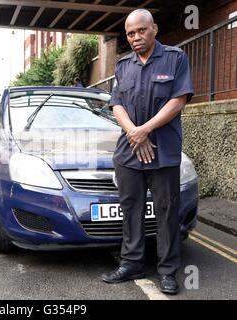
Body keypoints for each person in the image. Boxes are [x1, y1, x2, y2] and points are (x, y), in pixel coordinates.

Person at [101, 9, 193, 295]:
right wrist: (134, 133)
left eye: (141, 30)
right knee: (131, 210)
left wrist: (145, 130)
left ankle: (168, 271)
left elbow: (178, 100)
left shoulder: (175, 58)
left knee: (166, 212)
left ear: (154, 29)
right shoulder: (123, 65)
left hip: (163, 151)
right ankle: (131, 264)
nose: (136, 37)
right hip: (129, 151)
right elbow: (117, 105)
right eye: (130, 33)